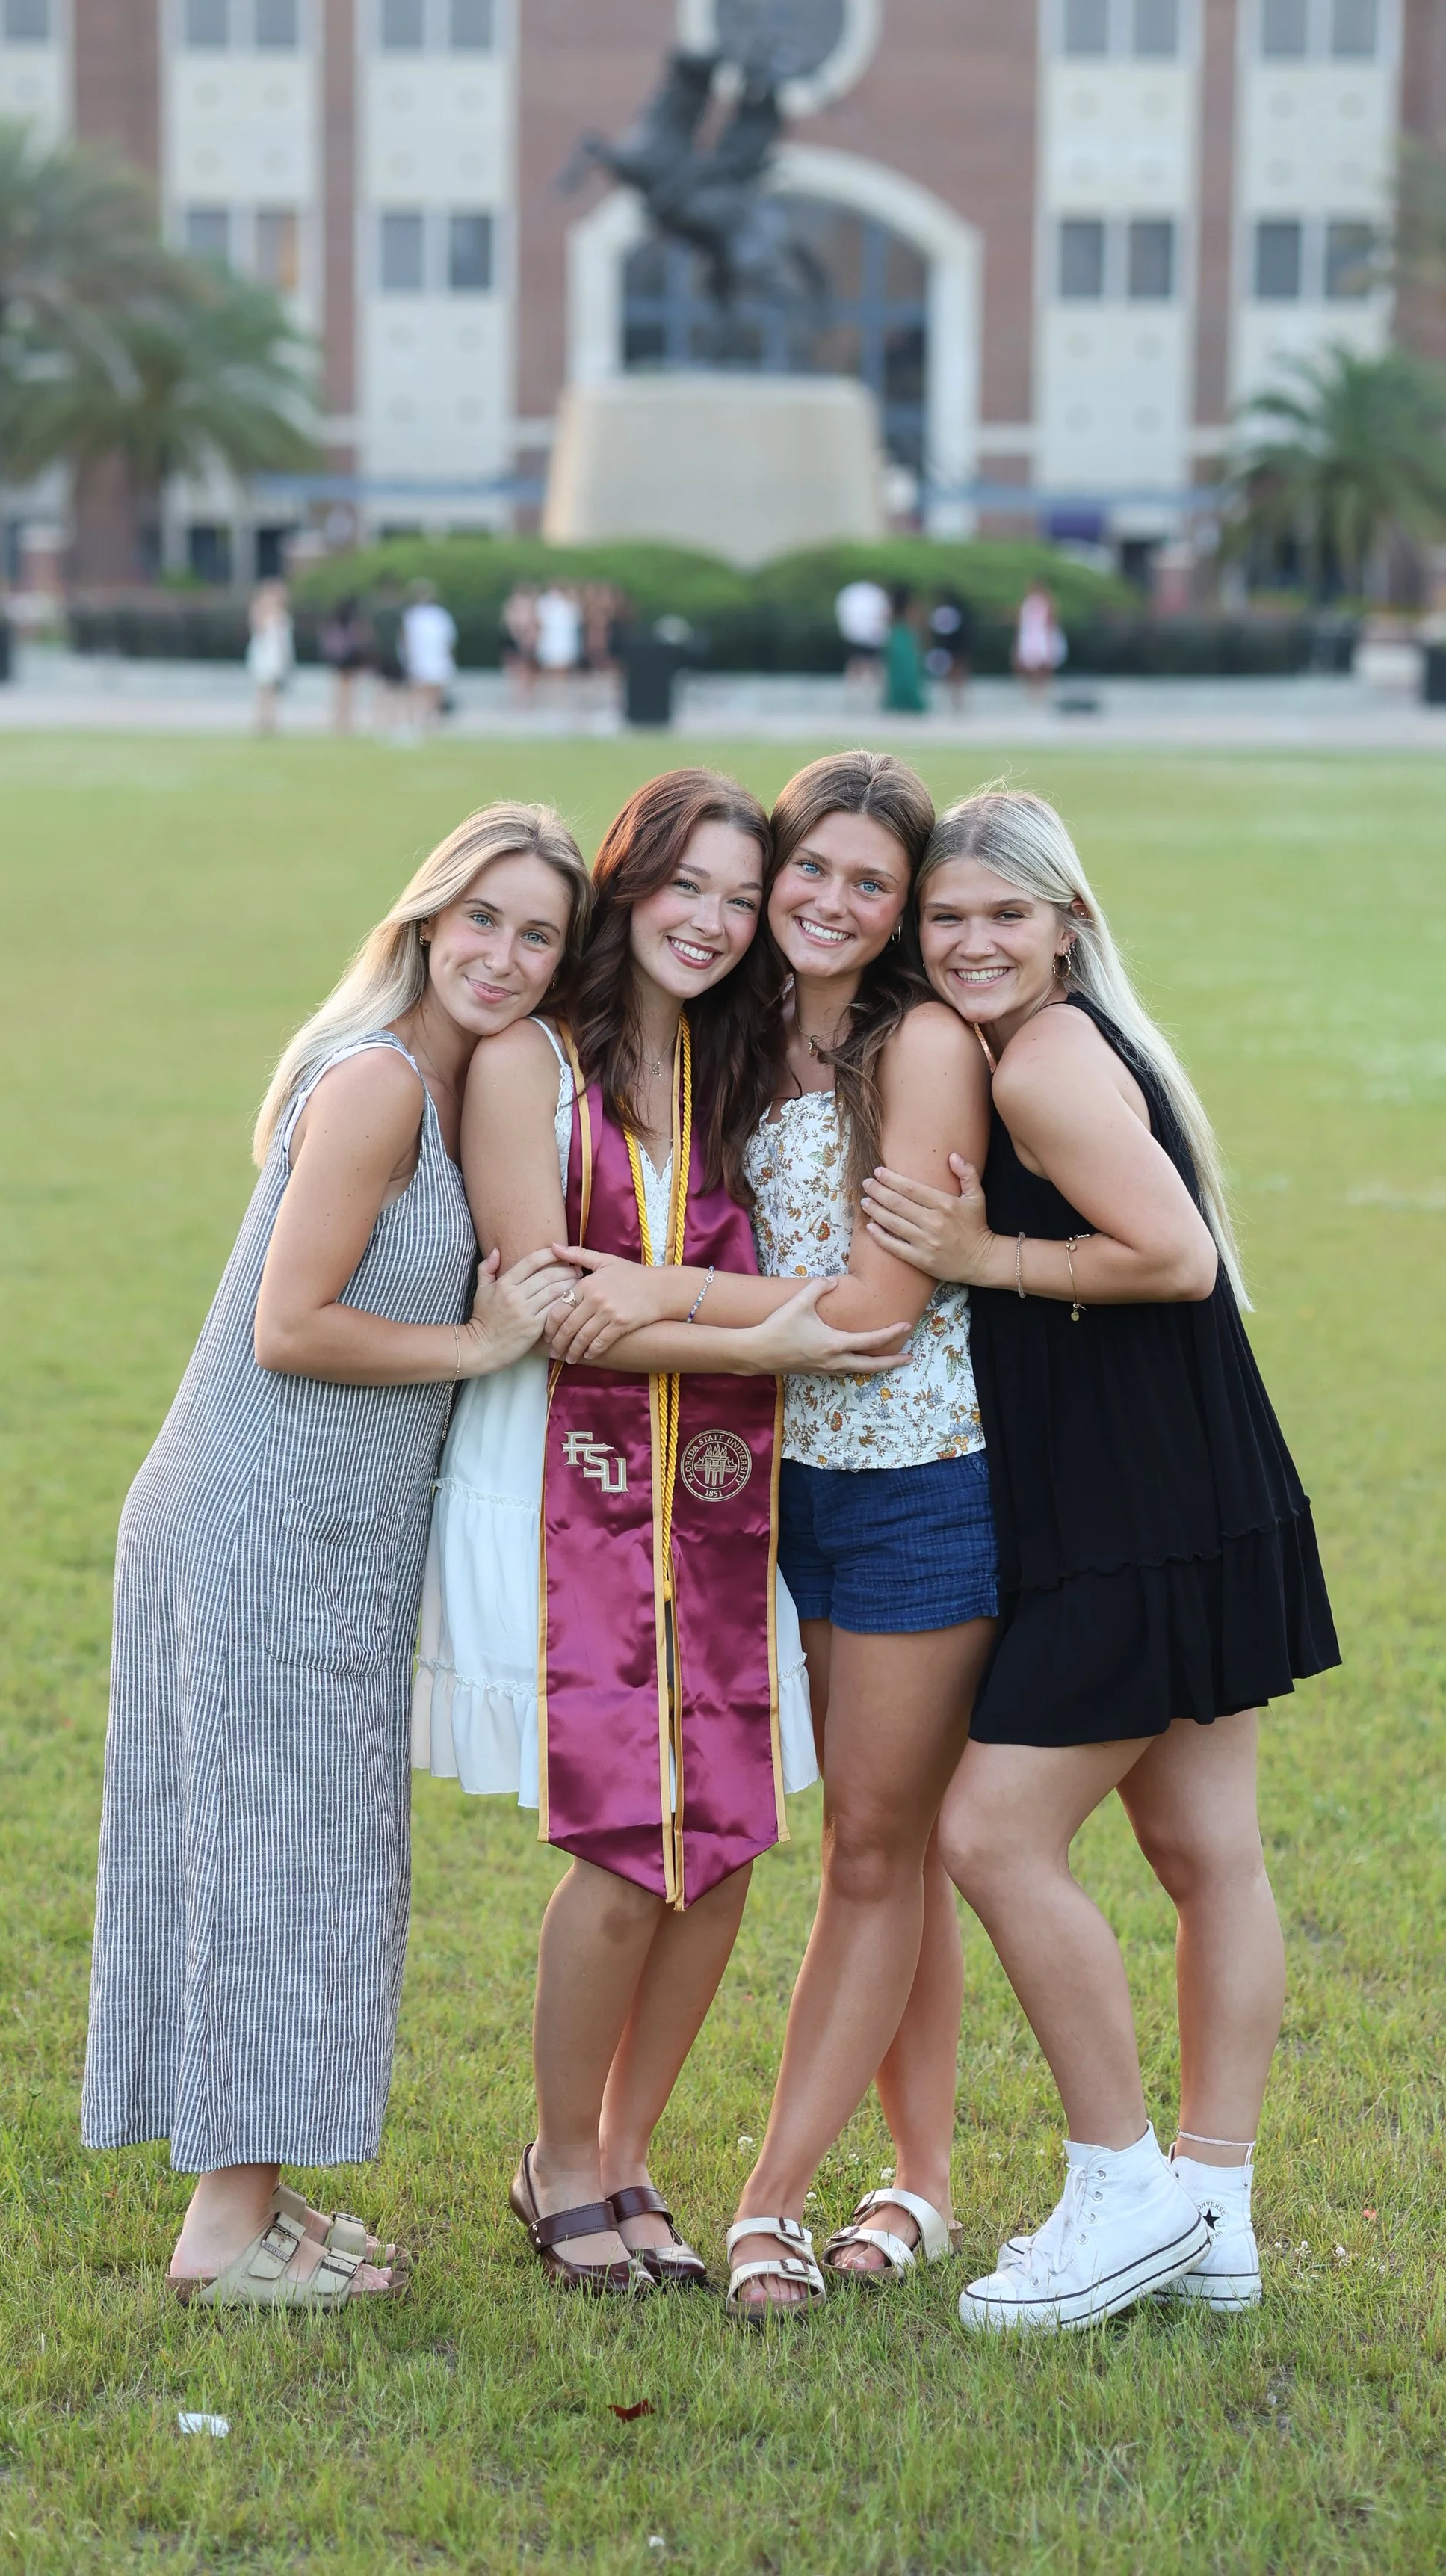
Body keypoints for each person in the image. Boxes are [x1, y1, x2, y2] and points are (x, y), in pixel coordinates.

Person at [82, 804, 590, 2308]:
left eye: (539, 935)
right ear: (427, 918)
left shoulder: (436, 1088)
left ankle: (255, 2197)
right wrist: (478, 1342)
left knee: (293, 1856)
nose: (503, 956)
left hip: (318, 1539)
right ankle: (222, 2238)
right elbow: (288, 1326)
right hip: (251, 1529)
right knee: (271, 1857)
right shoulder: (375, 1085)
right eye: (482, 919)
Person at [415, 770, 910, 2294]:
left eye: (736, 897)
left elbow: (849, 1298)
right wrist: (774, 1335)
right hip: (570, 1483)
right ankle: (557, 2158)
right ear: (627, 890)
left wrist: (721, 1314)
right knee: (631, 1844)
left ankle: (627, 2154)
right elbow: (551, 1302)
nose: (710, 920)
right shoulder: (526, 1064)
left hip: (717, 1489)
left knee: (731, 1838)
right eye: (681, 886)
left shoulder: (730, 1060)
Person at [860, 789, 1341, 2334]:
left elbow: (1173, 1258)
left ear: (1065, 922)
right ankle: (1215, 2214)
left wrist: (984, 1256)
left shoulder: (1050, 1058)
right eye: (948, 919)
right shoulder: (1065, 1043)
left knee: (991, 1835)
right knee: (1209, 1860)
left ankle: (1120, 2185)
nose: (975, 941)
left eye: (1006, 914)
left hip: (1137, 1515)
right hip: (1196, 1484)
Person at [546, 753, 996, 2319]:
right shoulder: (735, 1039)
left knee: (875, 1846)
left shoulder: (918, 1044)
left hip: (913, 1486)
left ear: (900, 909)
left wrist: (659, 1299)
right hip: (758, 1488)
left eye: (867, 884)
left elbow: (878, 1316)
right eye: (805, 871)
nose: (819, 903)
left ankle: (768, 2205)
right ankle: (922, 2177)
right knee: (887, 1851)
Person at [401, 579, 457, 734]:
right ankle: (419, 725)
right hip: (424, 659)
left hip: (428, 659)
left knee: (428, 694)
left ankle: (425, 725)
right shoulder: (430, 615)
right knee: (424, 694)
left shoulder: (429, 615)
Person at [247, 580, 294, 738]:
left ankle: (271, 722)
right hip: (265, 656)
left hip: (277, 657)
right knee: (263, 690)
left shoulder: (282, 615)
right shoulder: (262, 613)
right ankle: (261, 722)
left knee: (273, 692)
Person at [320, 593, 368, 737]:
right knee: (350, 691)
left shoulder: (334, 620)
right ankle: (347, 720)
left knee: (339, 691)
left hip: (338, 658)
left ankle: (338, 719)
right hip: (351, 657)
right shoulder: (354, 620)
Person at [835, 576, 889, 702]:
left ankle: (857, 688)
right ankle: (867, 689)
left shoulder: (854, 592)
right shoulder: (875, 594)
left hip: (856, 633)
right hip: (869, 634)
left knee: (857, 662)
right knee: (869, 662)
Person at [1013, 580, 1066, 694]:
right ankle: (1033, 691)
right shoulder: (1026, 603)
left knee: (1044, 665)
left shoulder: (1047, 602)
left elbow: (1051, 622)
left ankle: (1043, 691)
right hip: (1030, 637)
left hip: (1041, 637)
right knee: (1029, 666)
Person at [884, 584, 927, 716]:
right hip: (908, 640)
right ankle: (910, 702)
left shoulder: (892, 608)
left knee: (896, 674)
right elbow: (918, 625)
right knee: (910, 673)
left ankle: (897, 702)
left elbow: (888, 623)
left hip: (896, 639)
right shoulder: (912, 608)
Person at [926, 588, 971, 709]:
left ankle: (955, 699)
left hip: (948, 648)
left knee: (951, 675)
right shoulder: (957, 612)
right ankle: (957, 700)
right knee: (956, 676)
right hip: (955, 647)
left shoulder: (942, 612)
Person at [534, 579, 584, 683]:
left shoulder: (569, 603)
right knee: (549, 663)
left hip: (563, 639)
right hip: (550, 638)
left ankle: (560, 683)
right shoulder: (545, 602)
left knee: (563, 663)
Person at [501, 582, 540, 701]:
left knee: (526, 668)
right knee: (515, 667)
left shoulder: (526, 605)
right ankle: (518, 695)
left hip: (524, 639)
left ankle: (524, 695)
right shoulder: (514, 605)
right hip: (517, 638)